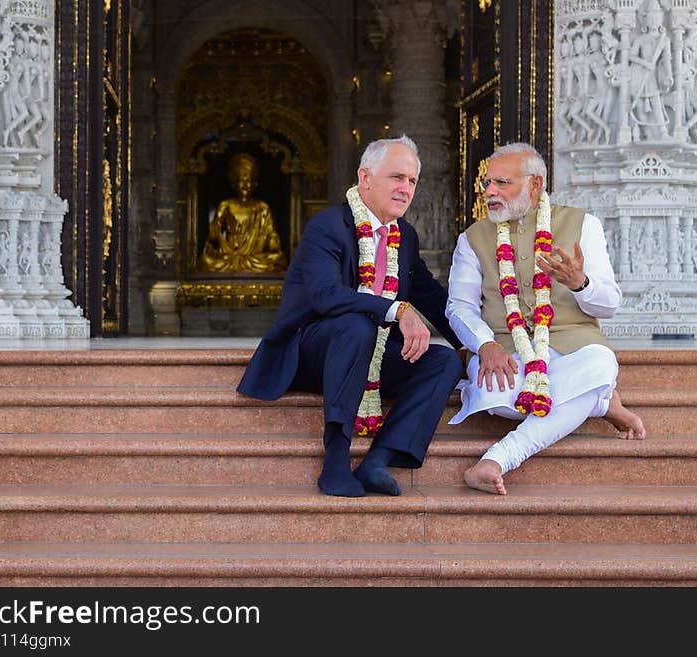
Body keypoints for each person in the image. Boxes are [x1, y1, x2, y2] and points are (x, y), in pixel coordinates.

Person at [237, 136, 463, 497]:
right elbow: (326, 296)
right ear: (366, 178)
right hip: (313, 352)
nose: (406, 189)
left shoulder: (403, 236)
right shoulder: (327, 226)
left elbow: (432, 298)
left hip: (373, 354)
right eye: (397, 178)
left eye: (412, 181)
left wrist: (481, 346)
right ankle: (337, 461)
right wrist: (396, 310)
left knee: (443, 360)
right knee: (357, 326)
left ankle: (378, 460)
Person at [446, 142, 645, 496]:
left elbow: (609, 305)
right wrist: (485, 345)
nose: (490, 192)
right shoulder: (472, 238)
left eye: (501, 183)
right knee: (501, 398)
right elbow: (459, 307)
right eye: (487, 184)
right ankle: (600, 401)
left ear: (534, 185)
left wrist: (579, 284)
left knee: (600, 364)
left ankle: (497, 459)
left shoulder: (582, 224)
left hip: (573, 346)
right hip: (505, 352)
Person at [200, 152, 287, 273]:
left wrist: (273, 240)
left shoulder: (262, 207)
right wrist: (214, 233)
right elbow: (214, 234)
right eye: (242, 181)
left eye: (249, 181)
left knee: (277, 259)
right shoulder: (226, 205)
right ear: (234, 183)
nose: (246, 185)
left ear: (255, 183)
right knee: (207, 261)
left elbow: (270, 232)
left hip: (254, 259)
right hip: (229, 257)